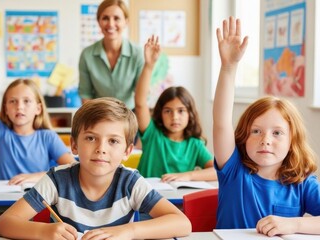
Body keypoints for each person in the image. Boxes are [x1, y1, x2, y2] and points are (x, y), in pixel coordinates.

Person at [0, 97, 191, 240]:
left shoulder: (130, 182)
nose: (101, 149)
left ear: (127, 151)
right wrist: (44, 231)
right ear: (74, 145)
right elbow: (4, 223)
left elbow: (182, 223)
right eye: (90, 138)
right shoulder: (57, 180)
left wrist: (128, 232)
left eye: (113, 141)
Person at [214, 17, 320, 236]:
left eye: (277, 133)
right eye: (256, 131)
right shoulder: (234, 170)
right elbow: (221, 122)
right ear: (243, 136)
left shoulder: (302, 182)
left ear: (292, 141)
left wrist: (294, 224)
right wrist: (228, 67)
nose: (266, 139)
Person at [0, 29, 75, 184]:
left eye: (27, 101)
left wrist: (37, 177)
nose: (19, 106)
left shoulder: (48, 137)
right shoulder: (0, 134)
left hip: (38, 205)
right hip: (1, 204)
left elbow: (72, 167)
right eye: (13, 101)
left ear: (38, 109)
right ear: (5, 108)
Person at [135, 36, 216, 181]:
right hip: (146, 200)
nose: (175, 117)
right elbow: (140, 103)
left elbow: (216, 172)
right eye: (168, 111)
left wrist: (188, 175)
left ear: (190, 114)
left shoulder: (195, 145)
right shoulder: (152, 134)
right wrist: (149, 66)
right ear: (160, 113)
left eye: (181, 111)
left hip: (177, 201)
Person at [78, 0, 144, 109]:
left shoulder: (137, 53)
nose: (111, 24)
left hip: (130, 116)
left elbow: (142, 96)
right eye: (105, 18)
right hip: (99, 117)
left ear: (126, 22)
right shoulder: (87, 55)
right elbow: (86, 95)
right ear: (98, 21)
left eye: (116, 18)